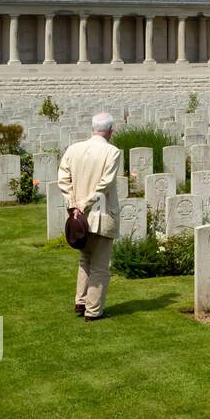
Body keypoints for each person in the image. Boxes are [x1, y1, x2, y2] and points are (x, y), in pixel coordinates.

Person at [58, 112, 123, 321]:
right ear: (111, 131)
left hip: (78, 216)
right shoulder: (112, 152)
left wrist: (73, 206)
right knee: (100, 266)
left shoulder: (73, 149)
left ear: (93, 128)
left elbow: (63, 178)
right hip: (101, 213)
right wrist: (85, 204)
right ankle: (93, 311)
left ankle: (81, 301)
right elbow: (105, 184)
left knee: (85, 258)